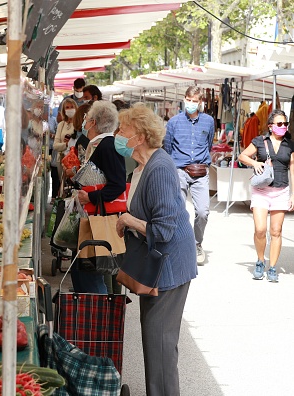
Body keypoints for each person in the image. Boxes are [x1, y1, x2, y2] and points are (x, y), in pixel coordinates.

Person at [115, 105, 197, 396]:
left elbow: (163, 229)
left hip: (170, 267)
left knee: (160, 346)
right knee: (154, 341)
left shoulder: (159, 168)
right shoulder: (142, 166)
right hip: (159, 267)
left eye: (122, 130)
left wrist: (128, 220)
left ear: (138, 136)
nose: (118, 135)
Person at [74, 101, 126, 294]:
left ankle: (102, 318)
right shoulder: (98, 145)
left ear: (93, 122)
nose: (84, 123)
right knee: (84, 272)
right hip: (92, 218)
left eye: (86, 119)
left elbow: (117, 185)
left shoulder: (108, 146)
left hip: (99, 219)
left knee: (93, 275)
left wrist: (91, 197)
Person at [238, 109, 294, 282]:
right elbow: (242, 156)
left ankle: (272, 267)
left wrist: (293, 194)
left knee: (276, 231)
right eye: (279, 124)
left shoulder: (289, 145)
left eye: (285, 124)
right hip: (261, 191)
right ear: (270, 126)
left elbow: (292, 169)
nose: (283, 127)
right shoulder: (260, 142)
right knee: (260, 230)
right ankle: (260, 261)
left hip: (281, 191)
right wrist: (255, 162)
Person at [163, 86, 215, 265]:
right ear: (184, 99)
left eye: (195, 101)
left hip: (200, 172)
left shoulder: (208, 121)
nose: (191, 104)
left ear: (200, 102)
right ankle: (177, 244)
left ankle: (196, 243)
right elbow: (167, 147)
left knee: (202, 211)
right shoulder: (174, 122)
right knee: (177, 209)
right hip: (180, 170)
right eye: (189, 100)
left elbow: (209, 144)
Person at [53, 98, 78, 198]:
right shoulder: (61, 125)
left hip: (75, 161)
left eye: (72, 107)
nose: (70, 109)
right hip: (62, 160)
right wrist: (66, 145)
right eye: (67, 107)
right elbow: (55, 145)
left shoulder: (79, 124)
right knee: (63, 186)